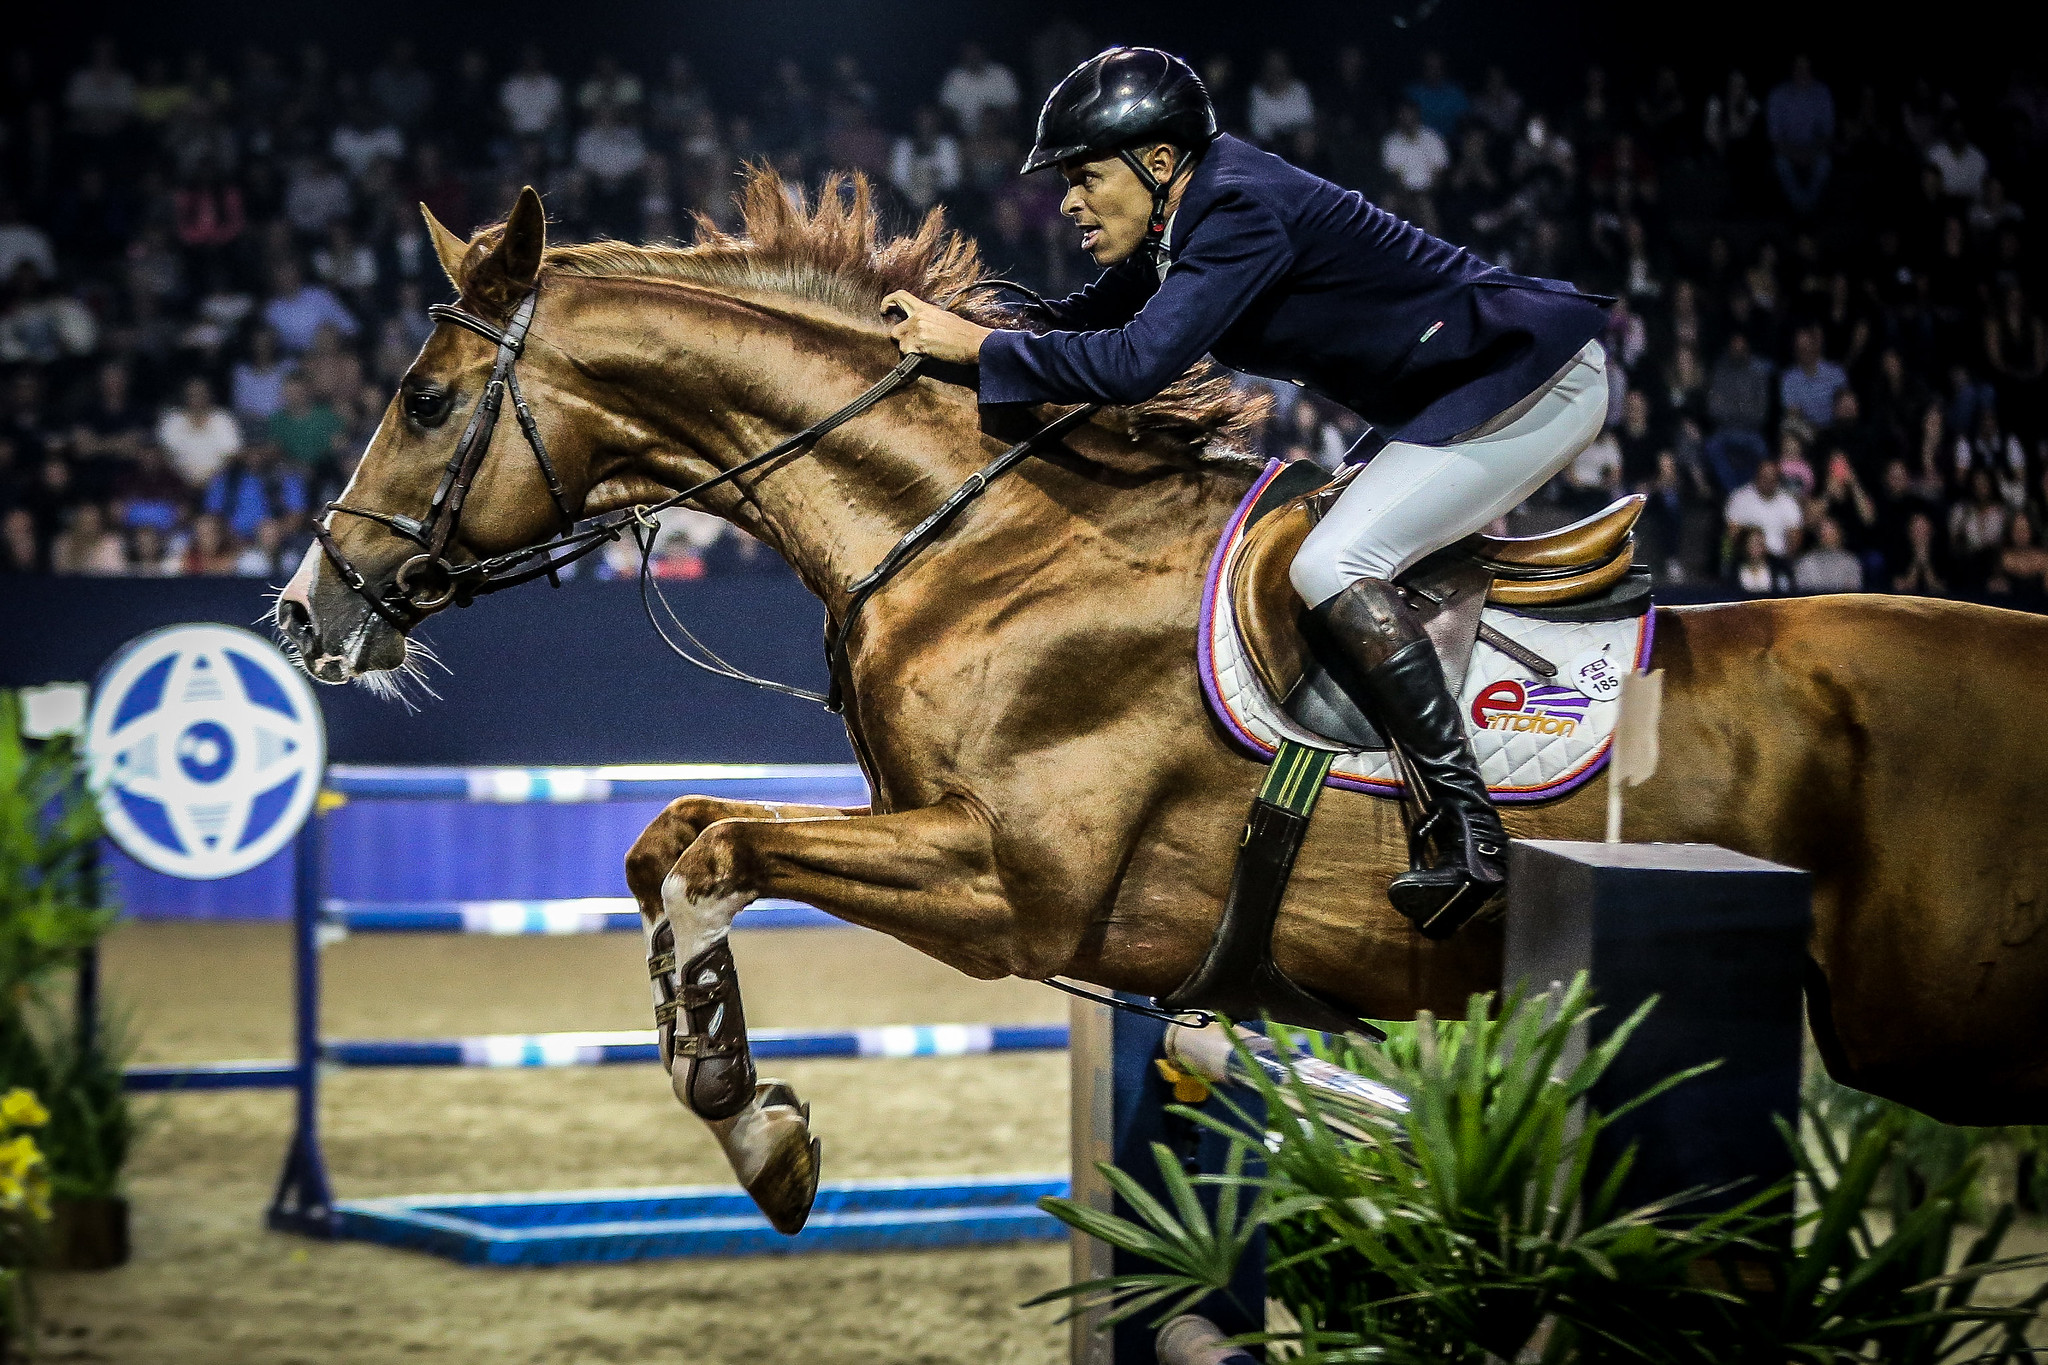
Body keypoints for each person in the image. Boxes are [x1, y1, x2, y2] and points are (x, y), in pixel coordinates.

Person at [880, 48, 1611, 937]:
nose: (1067, 201)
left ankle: (1469, 830)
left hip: (1526, 380)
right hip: (1450, 388)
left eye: (1084, 177)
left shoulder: (1234, 207)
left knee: (1338, 560)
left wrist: (978, 349)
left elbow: (1138, 364)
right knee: (1324, 541)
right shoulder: (1183, 216)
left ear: (1156, 163)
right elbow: (1086, 318)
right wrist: (965, 333)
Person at [1792, 515, 1864, 592]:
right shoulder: (1806, 562)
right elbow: (1803, 591)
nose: (1826, 536)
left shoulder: (1850, 562)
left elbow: (1853, 592)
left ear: (1839, 533)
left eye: (1830, 532)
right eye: (1823, 532)